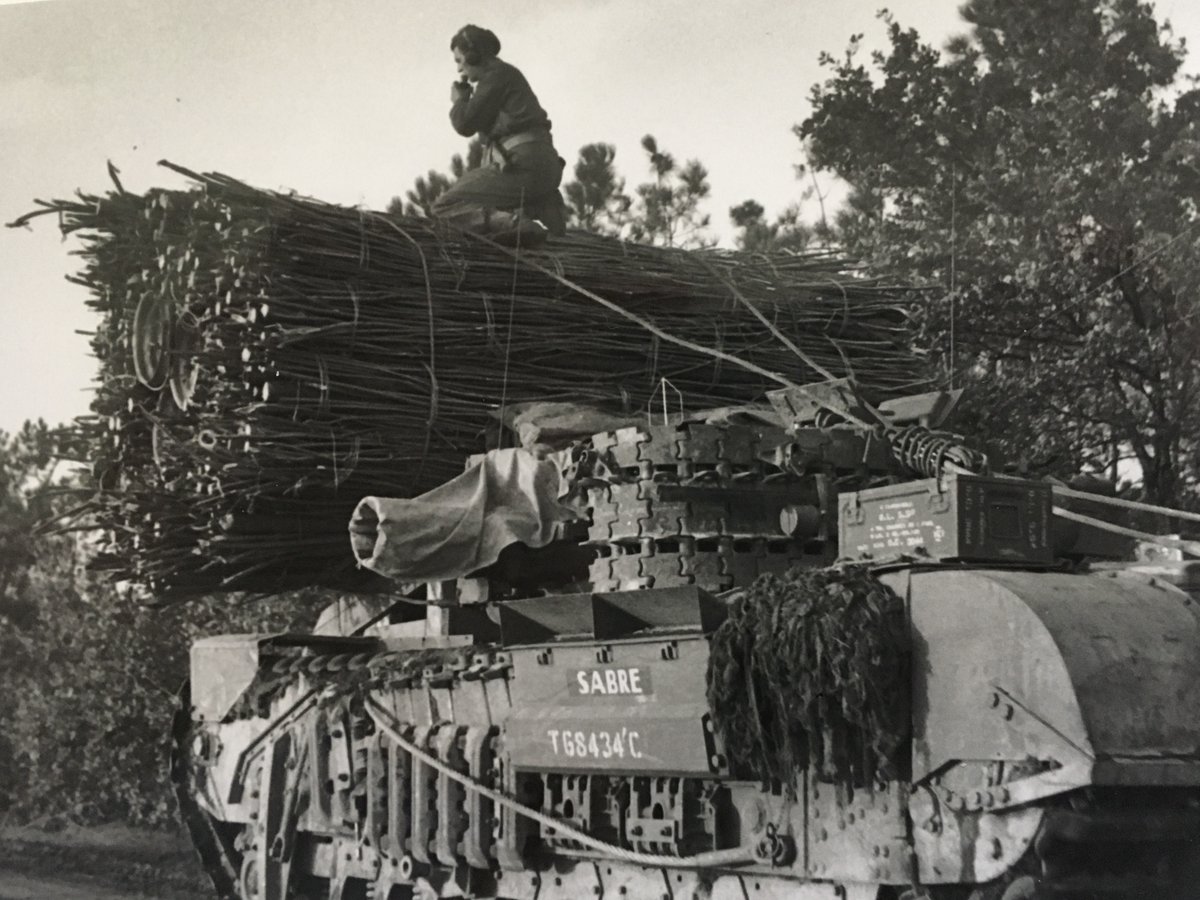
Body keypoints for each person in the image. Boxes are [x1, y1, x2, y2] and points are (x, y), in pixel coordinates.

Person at [431, 25, 567, 241]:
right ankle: (532, 212)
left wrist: (459, 100)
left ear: (473, 56)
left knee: (444, 207)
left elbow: (465, 124)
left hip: (523, 166)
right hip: (537, 166)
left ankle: (513, 223)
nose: (459, 70)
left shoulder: (496, 76)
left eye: (459, 61)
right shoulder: (502, 78)